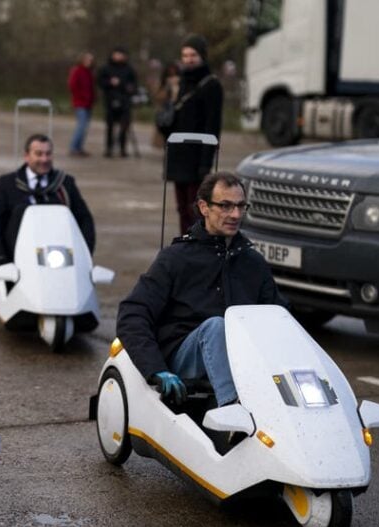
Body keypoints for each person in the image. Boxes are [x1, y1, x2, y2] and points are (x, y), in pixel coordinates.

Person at [116, 172, 285, 410]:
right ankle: (232, 413)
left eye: (240, 206)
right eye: (225, 206)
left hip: (242, 357)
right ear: (204, 207)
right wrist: (156, 369)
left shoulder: (253, 262)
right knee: (216, 326)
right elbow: (132, 314)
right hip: (185, 358)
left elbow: (280, 317)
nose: (235, 215)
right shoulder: (175, 258)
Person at [0, 134, 95, 267]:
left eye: (48, 154)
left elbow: (85, 220)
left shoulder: (64, 184)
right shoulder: (9, 183)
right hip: (18, 256)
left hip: (58, 255)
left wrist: (84, 255)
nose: (44, 159)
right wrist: (1, 258)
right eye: (38, 154)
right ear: (27, 156)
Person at [165, 34, 224, 235]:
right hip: (177, 154)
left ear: (202, 56)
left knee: (196, 209)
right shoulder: (180, 82)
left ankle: (198, 246)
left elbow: (212, 126)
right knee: (182, 209)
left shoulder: (211, 84)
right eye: (185, 55)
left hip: (196, 156)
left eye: (193, 55)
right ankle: (185, 245)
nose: (189, 59)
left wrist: (206, 162)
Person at [97, 47, 137, 158]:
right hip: (110, 100)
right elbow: (100, 81)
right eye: (117, 54)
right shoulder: (106, 68)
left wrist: (129, 88)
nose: (119, 57)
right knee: (110, 126)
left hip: (125, 101)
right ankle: (109, 148)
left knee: (124, 126)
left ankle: (122, 148)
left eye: (121, 54)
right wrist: (110, 82)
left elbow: (134, 84)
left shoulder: (129, 69)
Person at [67, 52, 96, 157]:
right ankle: (73, 148)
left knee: (85, 127)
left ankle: (79, 148)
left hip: (88, 103)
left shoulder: (89, 72)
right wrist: (81, 96)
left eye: (91, 60)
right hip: (80, 103)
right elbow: (72, 85)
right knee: (81, 126)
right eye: (87, 60)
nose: (90, 62)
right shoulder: (77, 70)